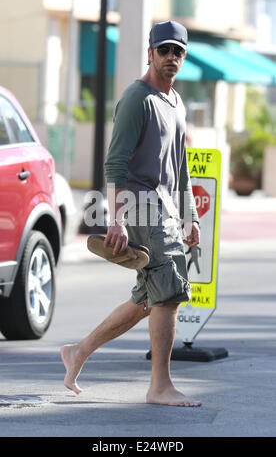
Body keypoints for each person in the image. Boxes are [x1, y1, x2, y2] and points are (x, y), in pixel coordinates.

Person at [61, 21, 201, 407]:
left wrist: (190, 216)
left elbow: (182, 167)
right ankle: (159, 386)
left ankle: (79, 351)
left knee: (147, 299)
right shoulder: (137, 98)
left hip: (168, 209)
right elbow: (115, 163)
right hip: (141, 205)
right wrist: (118, 218)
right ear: (150, 53)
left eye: (178, 51)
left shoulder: (176, 102)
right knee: (169, 292)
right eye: (165, 50)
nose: (171, 57)